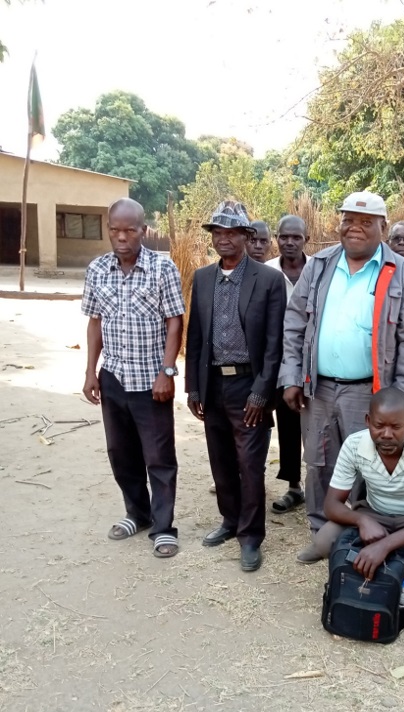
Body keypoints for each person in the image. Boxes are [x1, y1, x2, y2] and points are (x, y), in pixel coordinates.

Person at [279, 190, 404, 564]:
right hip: (319, 388)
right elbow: (294, 322)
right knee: (318, 463)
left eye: (366, 222)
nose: (355, 228)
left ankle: (361, 535)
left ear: (383, 227)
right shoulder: (320, 265)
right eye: (348, 220)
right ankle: (321, 534)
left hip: (372, 392)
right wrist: (292, 376)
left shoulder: (402, 272)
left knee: (369, 465)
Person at [185, 201, 286, 572]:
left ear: (246, 236)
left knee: (250, 464)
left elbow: (275, 344)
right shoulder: (203, 278)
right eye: (217, 232)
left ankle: (251, 536)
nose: (223, 238)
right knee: (221, 459)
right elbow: (196, 337)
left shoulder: (268, 280)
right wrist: (193, 388)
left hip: (249, 385)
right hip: (213, 383)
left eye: (231, 232)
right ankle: (229, 520)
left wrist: (262, 391)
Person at [81, 198, 184, 559]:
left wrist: (167, 371)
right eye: (115, 230)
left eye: (129, 230)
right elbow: (95, 322)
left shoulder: (162, 268)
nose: (122, 237)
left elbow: (175, 321)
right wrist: (91, 371)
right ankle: (137, 513)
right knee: (120, 453)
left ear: (143, 230)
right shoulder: (97, 269)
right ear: (109, 229)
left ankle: (163, 527)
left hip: (151, 382)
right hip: (113, 377)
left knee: (159, 457)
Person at [315, 387, 404, 624]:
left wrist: (385, 545)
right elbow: (331, 504)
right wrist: (362, 520)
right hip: (375, 513)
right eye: (378, 425)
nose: (386, 434)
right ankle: (357, 580)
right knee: (324, 540)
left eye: (396, 427)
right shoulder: (354, 444)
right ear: (368, 421)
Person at [265, 215, 309, 513]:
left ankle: (327, 489)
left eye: (296, 237)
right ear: (276, 238)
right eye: (284, 237)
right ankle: (294, 486)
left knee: (319, 429)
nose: (289, 242)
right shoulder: (267, 272)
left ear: (306, 239)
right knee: (288, 424)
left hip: (317, 360)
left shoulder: (319, 269)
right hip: (281, 362)